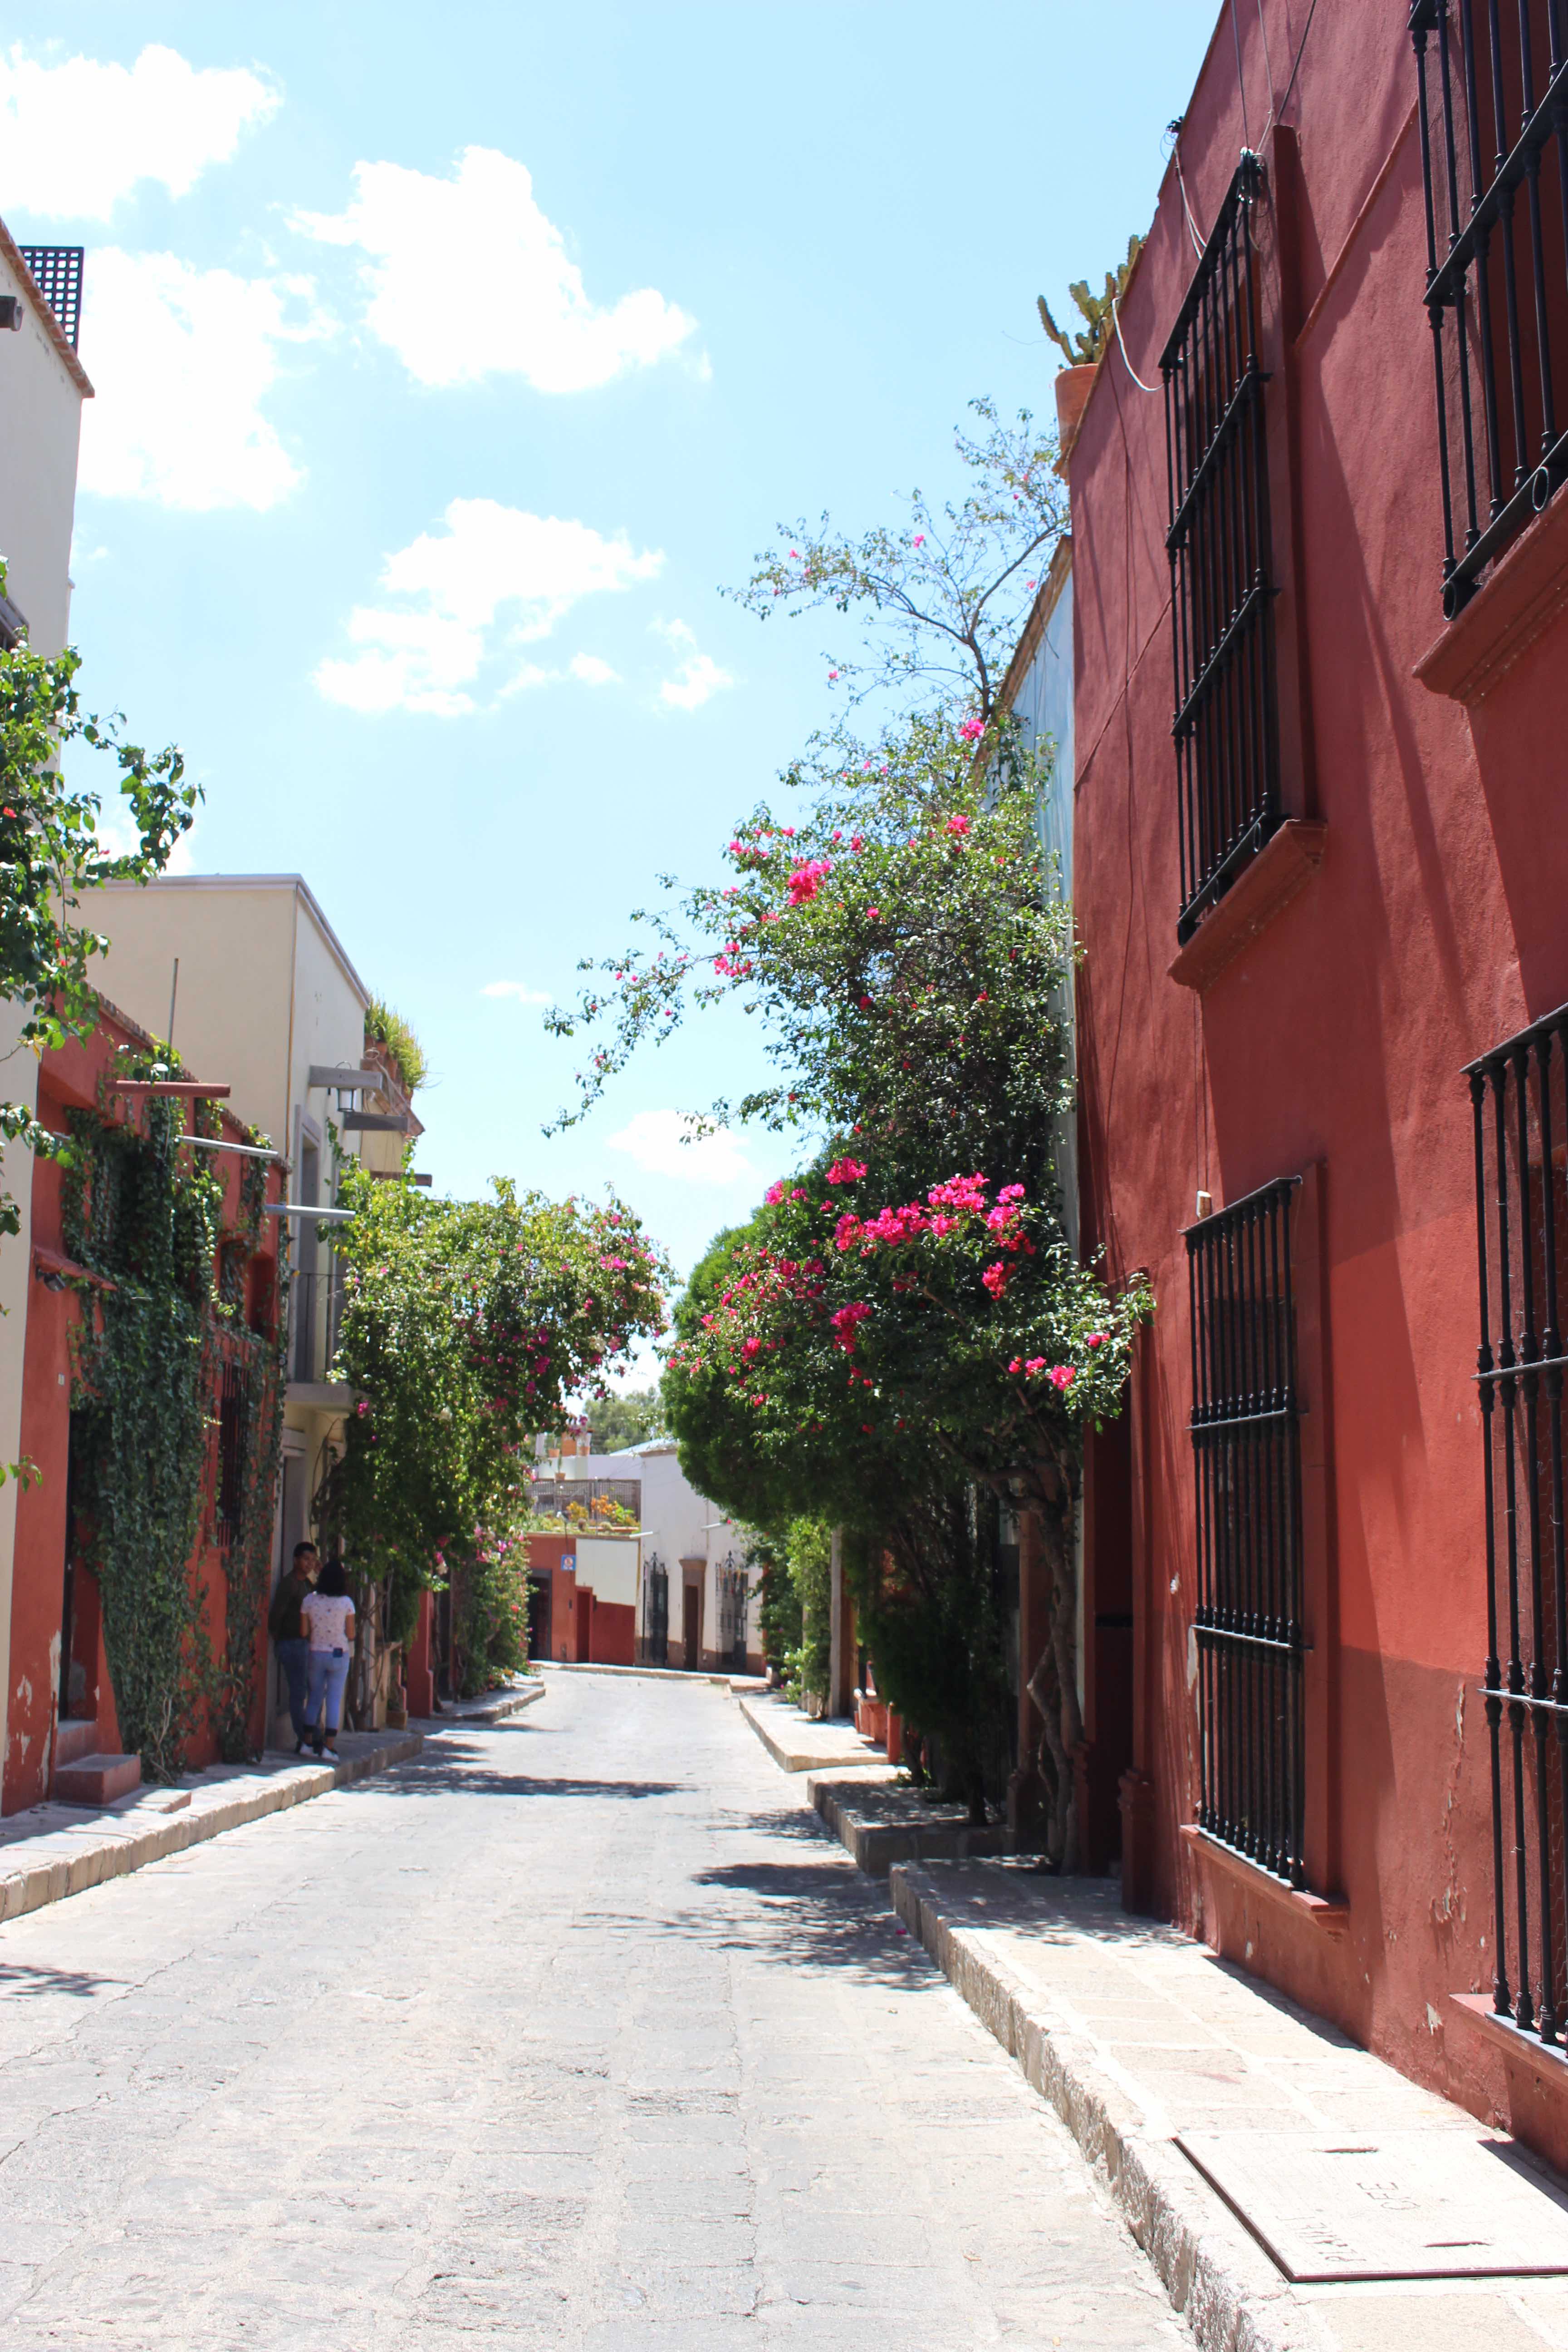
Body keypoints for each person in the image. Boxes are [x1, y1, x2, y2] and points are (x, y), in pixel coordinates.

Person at [300, 1559, 356, 1759]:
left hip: (316, 1652)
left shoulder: (309, 1601)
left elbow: (304, 1631)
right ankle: (329, 1748)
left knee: (314, 1698)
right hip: (338, 1654)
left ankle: (306, 1743)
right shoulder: (347, 1604)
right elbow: (350, 1634)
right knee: (334, 1699)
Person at [267, 1541, 318, 1754]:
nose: (309, 1564)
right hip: (291, 1644)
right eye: (306, 1560)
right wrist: (280, 1638)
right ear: (296, 1560)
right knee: (298, 1693)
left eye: (312, 1561)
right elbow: (277, 1613)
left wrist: (321, 1571)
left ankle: (312, 1735)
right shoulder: (289, 1584)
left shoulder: (308, 1585)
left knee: (312, 1691)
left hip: (305, 1645)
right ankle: (305, 1738)